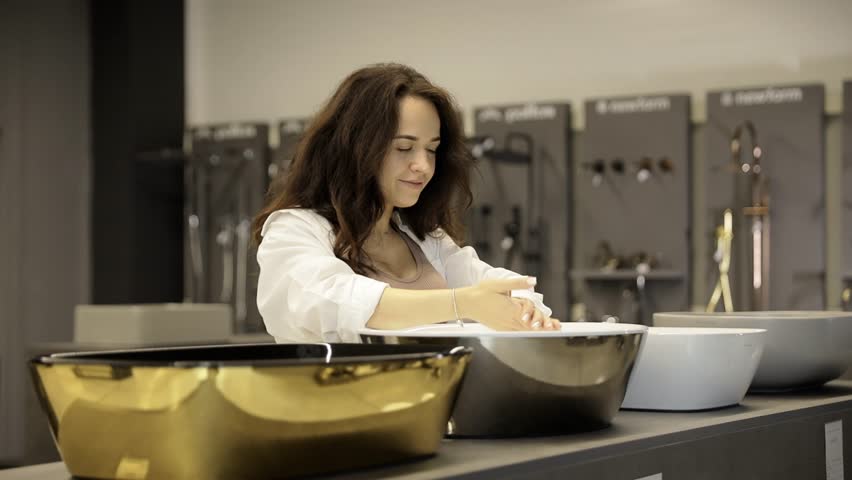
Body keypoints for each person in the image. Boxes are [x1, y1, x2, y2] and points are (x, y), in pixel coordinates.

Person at [253, 63, 558, 343]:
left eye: (432, 149)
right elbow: (333, 302)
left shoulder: (425, 238)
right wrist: (463, 302)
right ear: (355, 147)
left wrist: (523, 304)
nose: (423, 166)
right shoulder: (294, 230)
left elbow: (489, 282)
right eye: (404, 147)